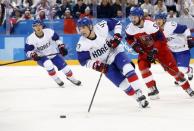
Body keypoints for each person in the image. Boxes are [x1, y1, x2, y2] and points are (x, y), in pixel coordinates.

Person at [76, 17, 149, 108]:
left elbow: (117, 23)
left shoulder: (100, 27)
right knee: (123, 85)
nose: (81, 30)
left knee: (128, 68)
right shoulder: (82, 44)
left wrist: (117, 35)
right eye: (80, 28)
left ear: (90, 26)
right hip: (105, 64)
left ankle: (138, 91)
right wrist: (95, 65)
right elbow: (83, 61)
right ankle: (138, 99)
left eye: (83, 27)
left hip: (116, 52)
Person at [125, 7, 194, 100]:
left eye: (135, 17)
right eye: (131, 17)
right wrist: (136, 47)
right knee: (142, 67)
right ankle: (152, 89)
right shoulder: (130, 28)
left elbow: (161, 39)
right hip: (145, 51)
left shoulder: (150, 25)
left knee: (173, 70)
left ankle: (188, 88)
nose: (133, 20)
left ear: (141, 17)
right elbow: (129, 39)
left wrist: (154, 51)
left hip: (160, 50)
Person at [25, 20, 81, 87]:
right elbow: (27, 51)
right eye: (35, 26)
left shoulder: (49, 32)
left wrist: (61, 47)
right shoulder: (31, 39)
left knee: (66, 68)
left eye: (39, 25)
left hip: (53, 54)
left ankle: (71, 78)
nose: (38, 27)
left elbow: (57, 39)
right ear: (33, 28)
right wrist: (33, 55)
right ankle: (56, 78)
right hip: (41, 57)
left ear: (42, 26)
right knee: (48, 64)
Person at [154, 12, 193, 86]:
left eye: (159, 19)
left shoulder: (171, 25)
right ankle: (180, 77)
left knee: (181, 69)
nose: (158, 21)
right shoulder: (155, 29)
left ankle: (189, 70)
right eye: (156, 19)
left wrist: (189, 38)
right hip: (171, 51)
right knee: (172, 68)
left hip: (182, 50)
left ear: (164, 20)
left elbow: (185, 28)